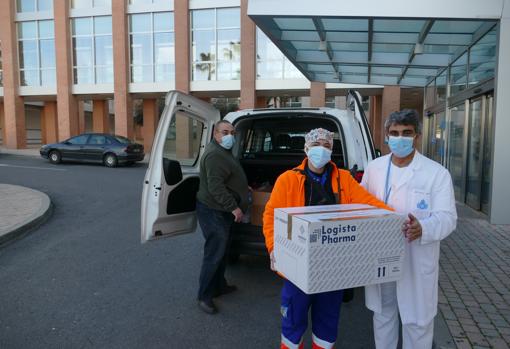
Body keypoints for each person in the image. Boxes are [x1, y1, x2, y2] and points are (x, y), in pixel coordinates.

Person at [263, 128, 392, 349]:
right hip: (297, 266)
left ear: (332, 150)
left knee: (327, 323)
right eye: (316, 145)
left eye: (326, 145)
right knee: (293, 321)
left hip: (333, 266)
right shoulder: (288, 179)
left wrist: (394, 217)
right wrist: (274, 247)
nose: (321, 150)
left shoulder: (344, 179)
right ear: (306, 149)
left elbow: (368, 203)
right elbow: (271, 216)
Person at [361, 109, 457, 349]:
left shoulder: (436, 174)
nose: (400, 138)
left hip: (416, 258)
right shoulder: (374, 168)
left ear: (417, 136)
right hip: (381, 257)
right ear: (386, 135)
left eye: (407, 133)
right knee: (383, 316)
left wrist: (423, 228)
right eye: (394, 133)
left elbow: (448, 218)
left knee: (418, 323)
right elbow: (360, 205)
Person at [196, 120, 249, 314]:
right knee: (214, 253)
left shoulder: (223, 151)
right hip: (213, 210)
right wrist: (234, 208)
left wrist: (243, 188)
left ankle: (219, 286)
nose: (230, 136)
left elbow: (227, 178)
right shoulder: (213, 155)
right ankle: (204, 296)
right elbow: (215, 187)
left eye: (232, 133)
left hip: (221, 210)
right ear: (215, 134)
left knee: (223, 250)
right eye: (225, 132)